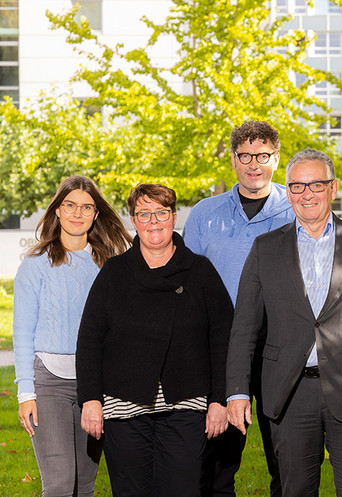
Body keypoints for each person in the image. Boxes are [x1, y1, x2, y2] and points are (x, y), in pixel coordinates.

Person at [226, 149, 342, 497]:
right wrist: (237, 391)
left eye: (316, 184)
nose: (306, 194)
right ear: (288, 191)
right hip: (289, 394)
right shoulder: (266, 248)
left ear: (333, 187)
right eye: (297, 186)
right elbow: (244, 328)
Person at [77, 184, 233, 497]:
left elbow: (223, 340)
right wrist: (90, 399)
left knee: (183, 490)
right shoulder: (115, 272)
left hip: (186, 407)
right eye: (144, 214)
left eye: (161, 213)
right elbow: (90, 339)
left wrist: (220, 400)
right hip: (125, 408)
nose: (153, 221)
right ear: (133, 220)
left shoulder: (200, 271)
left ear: (174, 217)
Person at [184, 120, 293, 497]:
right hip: (223, 350)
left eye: (262, 155)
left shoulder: (296, 210)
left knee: (286, 458)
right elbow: (187, 284)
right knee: (216, 459)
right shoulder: (204, 214)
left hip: (281, 349)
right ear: (233, 160)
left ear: (276, 159)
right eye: (245, 155)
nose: (253, 164)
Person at [13, 175, 131, 497]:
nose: (77, 213)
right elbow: (22, 331)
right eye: (70, 205)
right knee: (61, 485)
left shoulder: (110, 266)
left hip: (96, 386)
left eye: (86, 207)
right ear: (57, 211)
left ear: (95, 214)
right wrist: (26, 394)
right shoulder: (35, 266)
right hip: (48, 384)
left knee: (85, 486)